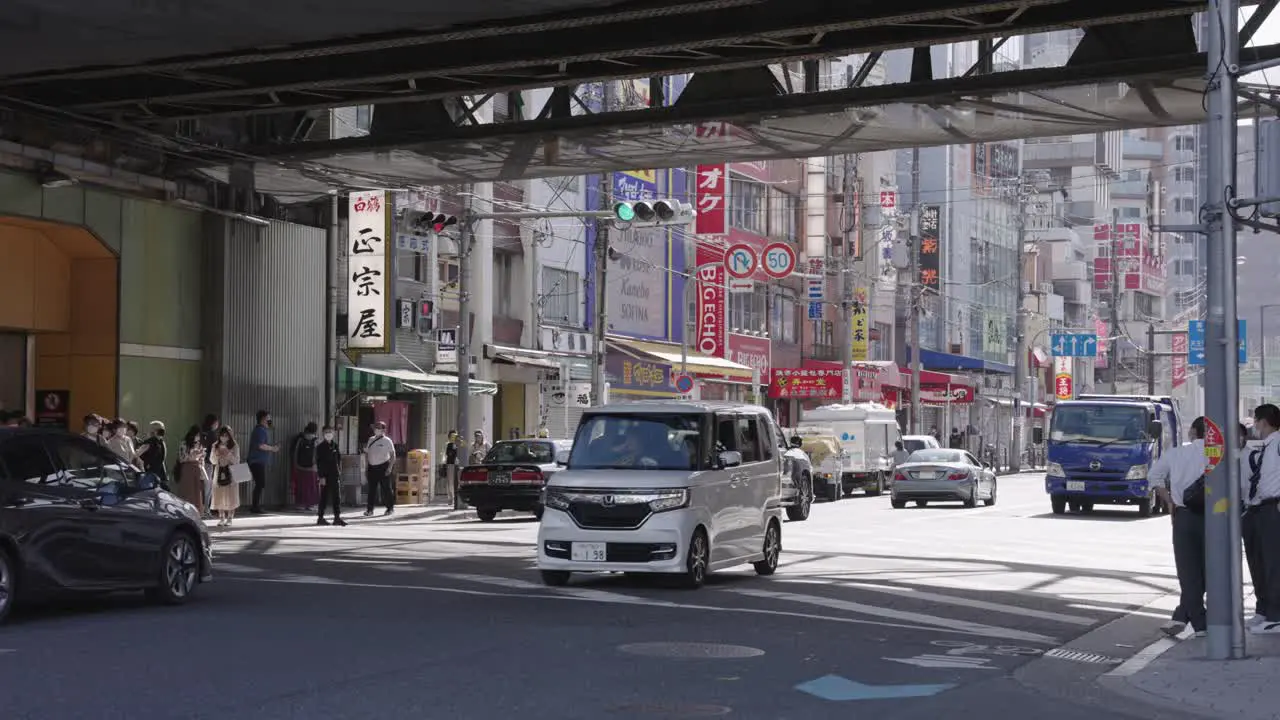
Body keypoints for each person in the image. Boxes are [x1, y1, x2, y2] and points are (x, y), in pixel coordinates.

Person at [1151, 416, 1210, 638]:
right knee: (1209, 570)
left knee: (1188, 571)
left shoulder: (1177, 453)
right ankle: (1188, 618)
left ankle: (1196, 621)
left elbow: (1154, 476)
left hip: (1184, 516)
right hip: (1215, 518)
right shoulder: (1219, 456)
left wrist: (1169, 501)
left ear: (1193, 432)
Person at [1245, 404, 1280, 634]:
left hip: (1273, 508)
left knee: (1273, 564)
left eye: (1255, 421)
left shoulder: (1278, 444)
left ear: (1263, 421)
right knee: (1259, 563)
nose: (1254, 426)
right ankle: (1265, 610)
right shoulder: (1266, 447)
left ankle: (1276, 616)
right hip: (1258, 509)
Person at [247, 410, 279, 514]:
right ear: (263, 419)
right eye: (268, 418)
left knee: (260, 483)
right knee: (260, 483)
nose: (269, 420)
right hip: (256, 461)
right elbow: (260, 445)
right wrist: (272, 448)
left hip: (257, 461)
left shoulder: (261, 430)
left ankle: (255, 505)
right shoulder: (260, 430)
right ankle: (255, 506)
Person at [364, 421, 397, 517]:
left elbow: (393, 455)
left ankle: (390, 508)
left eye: (379, 428)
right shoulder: (370, 439)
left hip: (383, 466)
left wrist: (390, 468)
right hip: (372, 467)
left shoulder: (387, 441)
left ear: (383, 430)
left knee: (386, 489)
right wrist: (366, 467)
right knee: (371, 490)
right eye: (375, 427)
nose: (376, 430)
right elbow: (367, 453)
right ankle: (369, 510)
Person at [210, 426, 241, 527]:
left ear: (230, 436)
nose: (224, 437)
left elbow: (237, 461)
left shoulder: (234, 445)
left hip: (231, 472)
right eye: (222, 435)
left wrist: (228, 453)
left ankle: (230, 518)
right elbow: (212, 461)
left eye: (226, 436)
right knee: (219, 494)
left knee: (231, 495)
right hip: (219, 472)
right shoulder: (215, 445)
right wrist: (217, 455)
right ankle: (221, 517)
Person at [316, 424, 345, 526]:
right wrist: (321, 476)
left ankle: (337, 518)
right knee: (323, 496)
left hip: (335, 474)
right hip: (325, 475)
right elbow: (319, 463)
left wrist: (339, 470)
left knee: (337, 497)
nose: (328, 434)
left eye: (330, 432)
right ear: (323, 434)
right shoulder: (320, 447)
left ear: (333, 433)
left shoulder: (335, 445)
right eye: (326, 432)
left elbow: (338, 459)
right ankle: (320, 518)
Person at [176, 425, 207, 514]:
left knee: (197, 491)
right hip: (187, 468)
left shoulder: (199, 444)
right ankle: (185, 511)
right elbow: (181, 458)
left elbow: (202, 460)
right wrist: (192, 455)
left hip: (197, 468)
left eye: (199, 435)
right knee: (187, 491)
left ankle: (197, 512)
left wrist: (201, 456)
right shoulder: (184, 443)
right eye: (196, 435)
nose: (197, 437)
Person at [291, 422, 321, 511]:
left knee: (301, 486)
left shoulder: (299, 439)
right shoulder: (316, 440)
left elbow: (295, 453)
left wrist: (295, 465)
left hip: (300, 467)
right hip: (312, 468)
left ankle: (300, 504)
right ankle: (311, 504)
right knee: (312, 486)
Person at [135, 421, 169, 490]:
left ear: (153, 431)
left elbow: (136, 455)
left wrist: (141, 466)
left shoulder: (151, 441)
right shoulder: (162, 443)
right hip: (160, 475)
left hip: (150, 476)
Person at [444, 429, 460, 507]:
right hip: (450, 464)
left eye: (455, 436)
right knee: (450, 482)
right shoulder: (448, 444)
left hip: (458, 465)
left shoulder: (459, 444)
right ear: (449, 437)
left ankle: (456, 497)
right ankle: (451, 498)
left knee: (457, 481)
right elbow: (447, 454)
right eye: (452, 436)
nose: (454, 438)